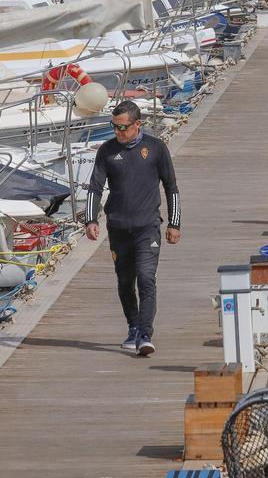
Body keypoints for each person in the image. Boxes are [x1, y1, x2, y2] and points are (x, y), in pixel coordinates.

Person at [84, 100, 181, 357]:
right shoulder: (107, 151)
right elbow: (95, 187)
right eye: (114, 126)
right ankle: (133, 326)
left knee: (146, 278)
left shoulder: (156, 148)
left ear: (137, 124)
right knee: (126, 281)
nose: (118, 132)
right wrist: (90, 220)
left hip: (147, 227)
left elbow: (171, 188)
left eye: (123, 127)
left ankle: (145, 335)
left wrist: (175, 223)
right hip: (118, 228)